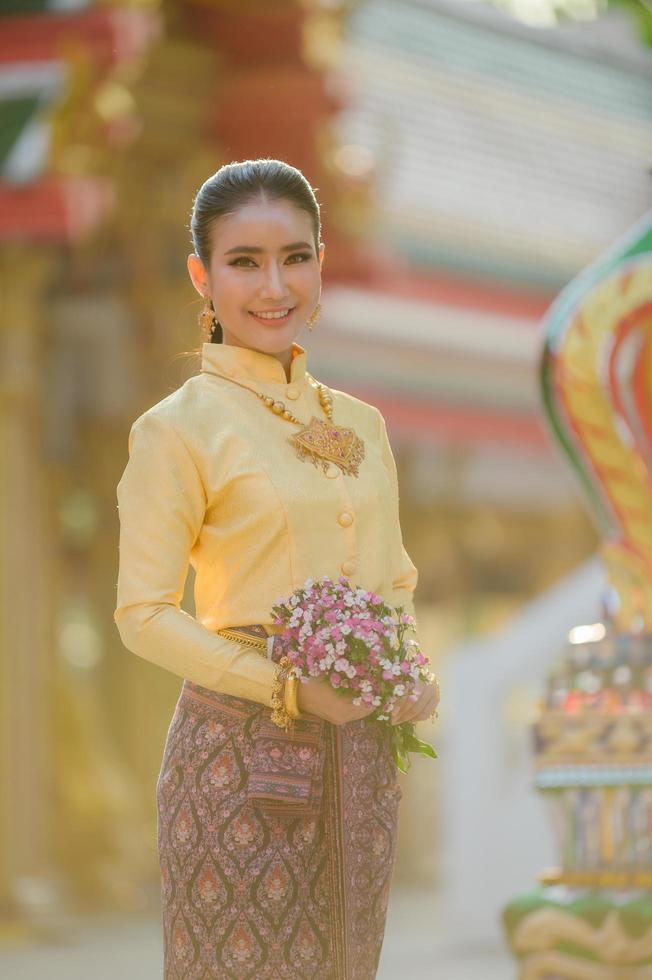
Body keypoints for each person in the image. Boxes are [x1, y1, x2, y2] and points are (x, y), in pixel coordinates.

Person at [113, 158, 440, 979]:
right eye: (244, 262)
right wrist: (285, 687)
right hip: (235, 760)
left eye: (295, 257)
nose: (274, 286)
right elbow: (142, 612)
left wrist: (409, 668)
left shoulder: (363, 424)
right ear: (203, 275)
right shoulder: (177, 429)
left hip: (361, 757)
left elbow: (392, 579)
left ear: (321, 263)